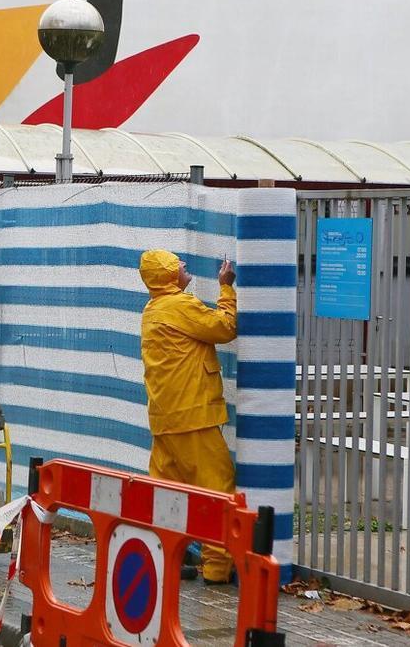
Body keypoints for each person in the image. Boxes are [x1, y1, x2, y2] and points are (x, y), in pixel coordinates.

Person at [139, 250, 237, 584]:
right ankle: (216, 568)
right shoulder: (180, 306)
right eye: (179, 266)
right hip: (193, 417)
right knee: (216, 489)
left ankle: (163, 556)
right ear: (168, 276)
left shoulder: (153, 309)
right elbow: (224, 328)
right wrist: (226, 288)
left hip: (165, 419)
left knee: (165, 494)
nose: (185, 268)